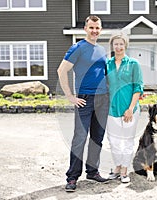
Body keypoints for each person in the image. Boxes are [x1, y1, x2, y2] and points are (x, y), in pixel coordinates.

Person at [57, 15, 109, 192]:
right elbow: (61, 70)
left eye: (97, 28)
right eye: (92, 27)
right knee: (79, 138)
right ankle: (72, 178)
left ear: (100, 29)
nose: (95, 31)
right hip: (84, 99)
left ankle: (92, 171)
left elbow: (106, 74)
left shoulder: (102, 50)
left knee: (97, 138)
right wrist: (70, 96)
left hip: (103, 99)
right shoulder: (78, 48)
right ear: (86, 28)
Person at [106, 33, 144, 183]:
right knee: (113, 141)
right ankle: (117, 166)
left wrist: (130, 108)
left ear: (125, 45)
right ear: (112, 46)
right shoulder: (107, 64)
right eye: (116, 44)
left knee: (127, 140)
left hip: (130, 109)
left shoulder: (133, 64)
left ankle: (124, 170)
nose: (119, 47)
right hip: (111, 109)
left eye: (121, 44)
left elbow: (138, 87)